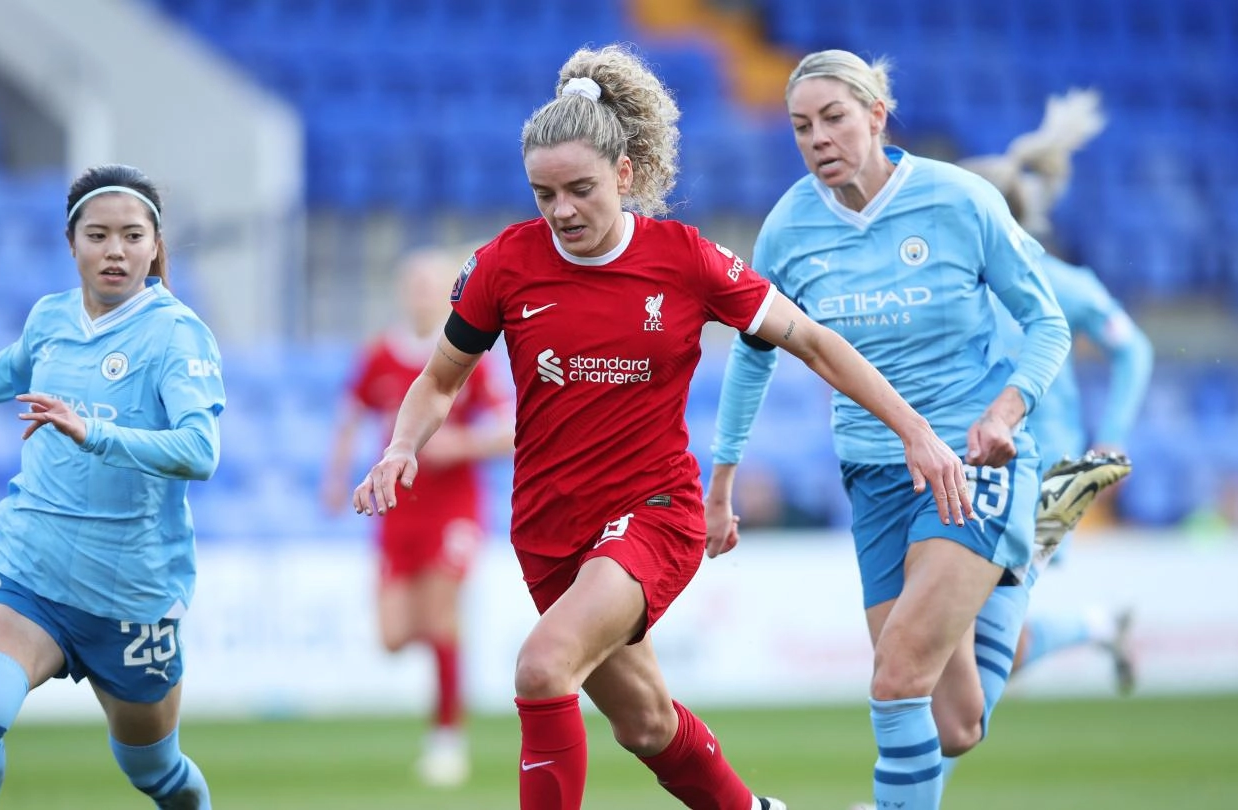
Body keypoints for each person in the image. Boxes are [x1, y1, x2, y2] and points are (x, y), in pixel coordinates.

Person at [351, 43, 971, 810]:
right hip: (547, 530)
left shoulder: (684, 261)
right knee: (645, 723)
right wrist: (403, 445)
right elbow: (439, 379)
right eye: (544, 194)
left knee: (543, 666)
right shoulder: (503, 265)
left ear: (626, 175)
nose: (562, 211)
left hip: (653, 514)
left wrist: (913, 428)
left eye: (580, 189)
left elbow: (811, 340)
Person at [706, 50, 1072, 809]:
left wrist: (1005, 411)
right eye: (801, 126)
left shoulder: (960, 200)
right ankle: (1025, 561)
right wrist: (724, 473)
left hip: (973, 464)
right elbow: (751, 360)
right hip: (874, 477)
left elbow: (1048, 323)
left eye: (834, 117)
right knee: (952, 724)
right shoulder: (788, 229)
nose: (817, 138)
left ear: (877, 115)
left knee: (897, 674)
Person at [0, 164, 223, 810]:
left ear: (155, 244)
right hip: (31, 568)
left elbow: (200, 452)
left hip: (130, 593)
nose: (114, 250)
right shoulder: (52, 317)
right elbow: (6, 372)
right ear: (72, 243)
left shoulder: (176, 334)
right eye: (97, 235)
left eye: (130, 235)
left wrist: (92, 431)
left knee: (157, 774)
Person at [960, 88, 1154, 695]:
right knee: (980, 646)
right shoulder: (949, 289)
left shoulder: (1055, 283)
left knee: (962, 646)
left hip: (1046, 477)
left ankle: (908, 793)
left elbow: (1134, 348)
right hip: (974, 466)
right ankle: (1098, 627)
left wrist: (1111, 436)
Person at [321, 245, 515, 787]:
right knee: (392, 635)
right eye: (414, 286)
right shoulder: (381, 354)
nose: (422, 295)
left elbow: (507, 430)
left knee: (441, 613)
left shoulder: (468, 354)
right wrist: (336, 478)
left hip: (453, 509)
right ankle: (448, 662)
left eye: (433, 285)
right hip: (397, 511)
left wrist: (458, 444)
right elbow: (350, 417)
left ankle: (447, 738)